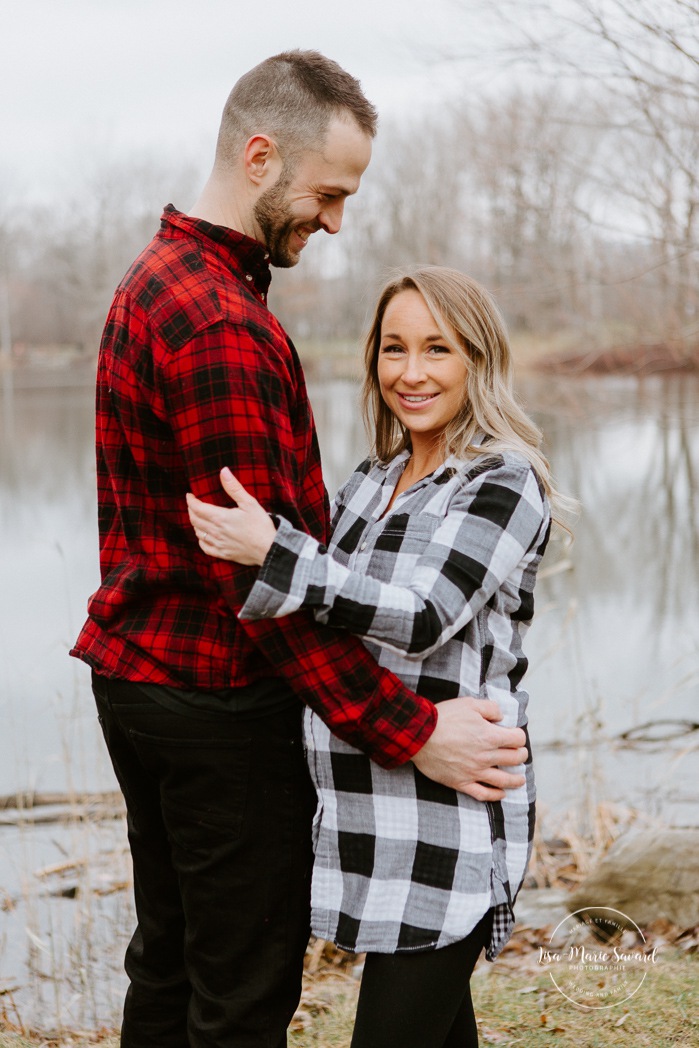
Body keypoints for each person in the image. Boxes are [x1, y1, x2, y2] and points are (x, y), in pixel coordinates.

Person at [70, 53, 529, 1048]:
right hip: (217, 705)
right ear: (261, 155)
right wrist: (412, 728)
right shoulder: (217, 323)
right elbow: (265, 596)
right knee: (238, 994)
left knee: (173, 960)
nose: (332, 221)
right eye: (328, 193)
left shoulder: (157, 281)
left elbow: (286, 570)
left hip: (141, 682)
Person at [187, 265, 570, 1048]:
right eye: (393, 349)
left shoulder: (504, 479)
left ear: (478, 359)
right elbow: (323, 620)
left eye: (437, 349)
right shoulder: (370, 481)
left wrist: (276, 553)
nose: (411, 372)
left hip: (450, 818)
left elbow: (423, 616)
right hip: (366, 812)